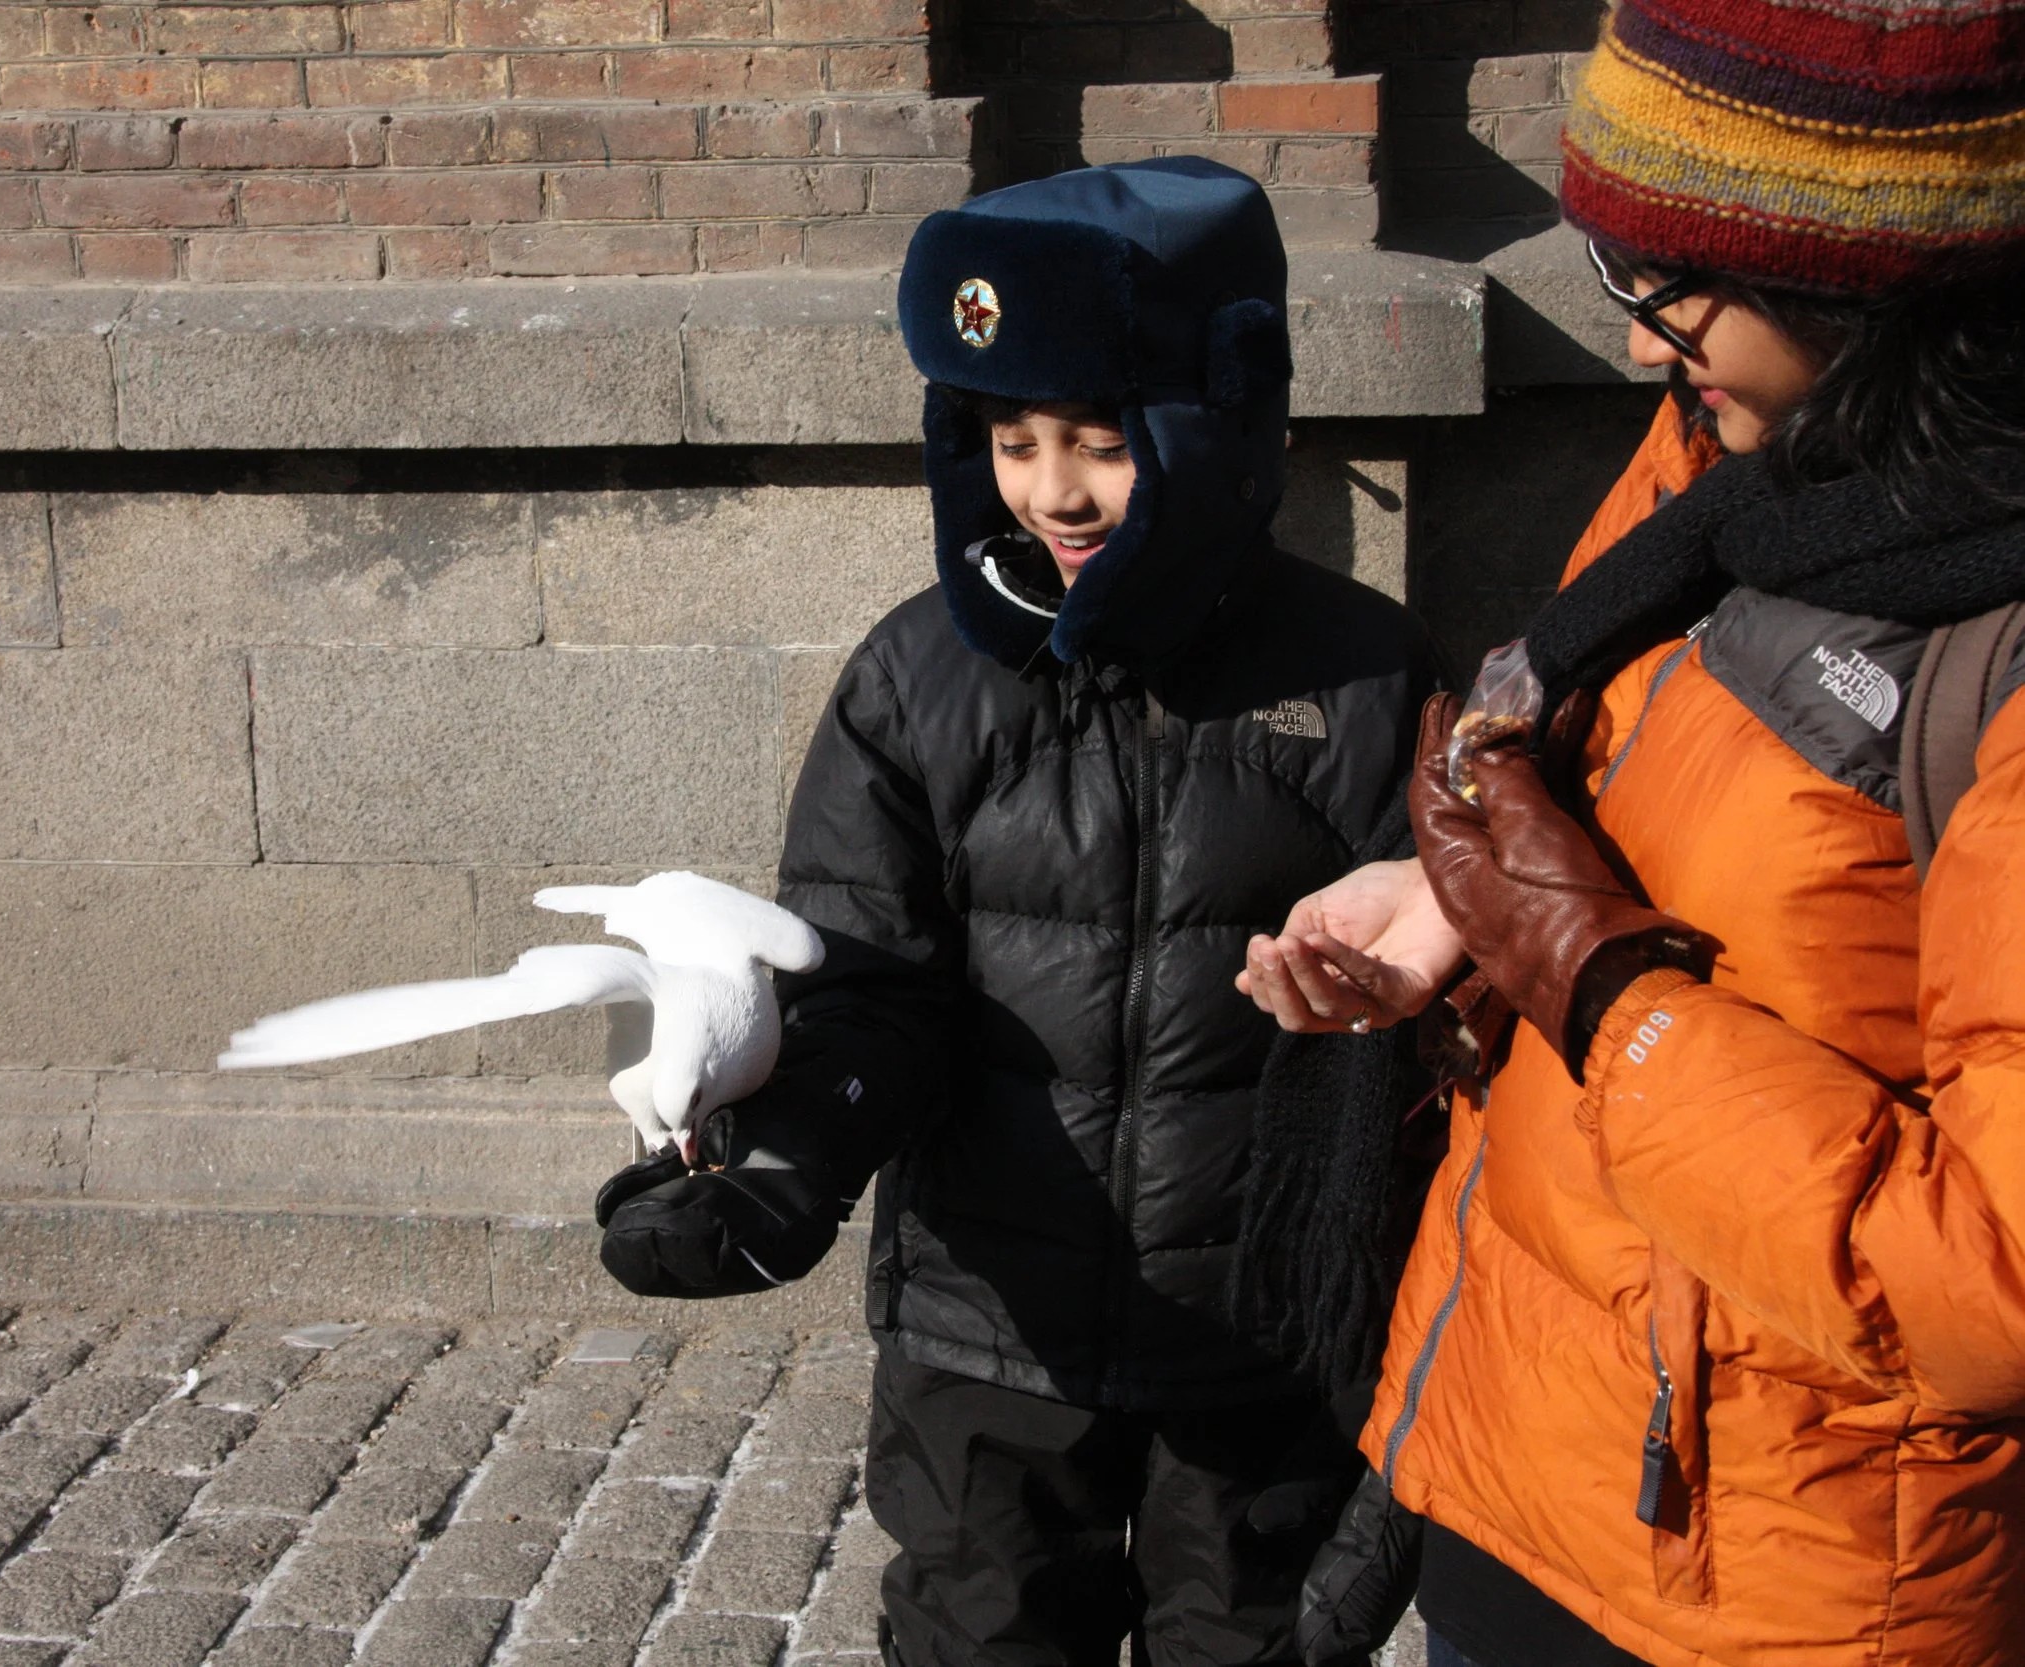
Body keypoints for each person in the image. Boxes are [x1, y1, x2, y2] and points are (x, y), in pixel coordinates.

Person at [1241, 0, 2025, 1660]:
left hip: (1780, 1581)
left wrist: (1598, 985)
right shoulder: (1744, 453)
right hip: (1524, 1453)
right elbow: (1645, 805)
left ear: (1868, 290)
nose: (1636, 344)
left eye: (1663, 291)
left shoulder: (1989, 639)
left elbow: (1993, 1284)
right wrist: (1461, 922)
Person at [593, 157, 1447, 1666]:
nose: (1052, 490)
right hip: (989, 1327)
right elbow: (866, 982)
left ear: (1220, 429)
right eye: (1012, 438)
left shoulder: (1369, 680)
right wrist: (773, 1168)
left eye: (1103, 443)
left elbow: (1439, 1033)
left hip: (1256, 1345)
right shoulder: (918, 682)